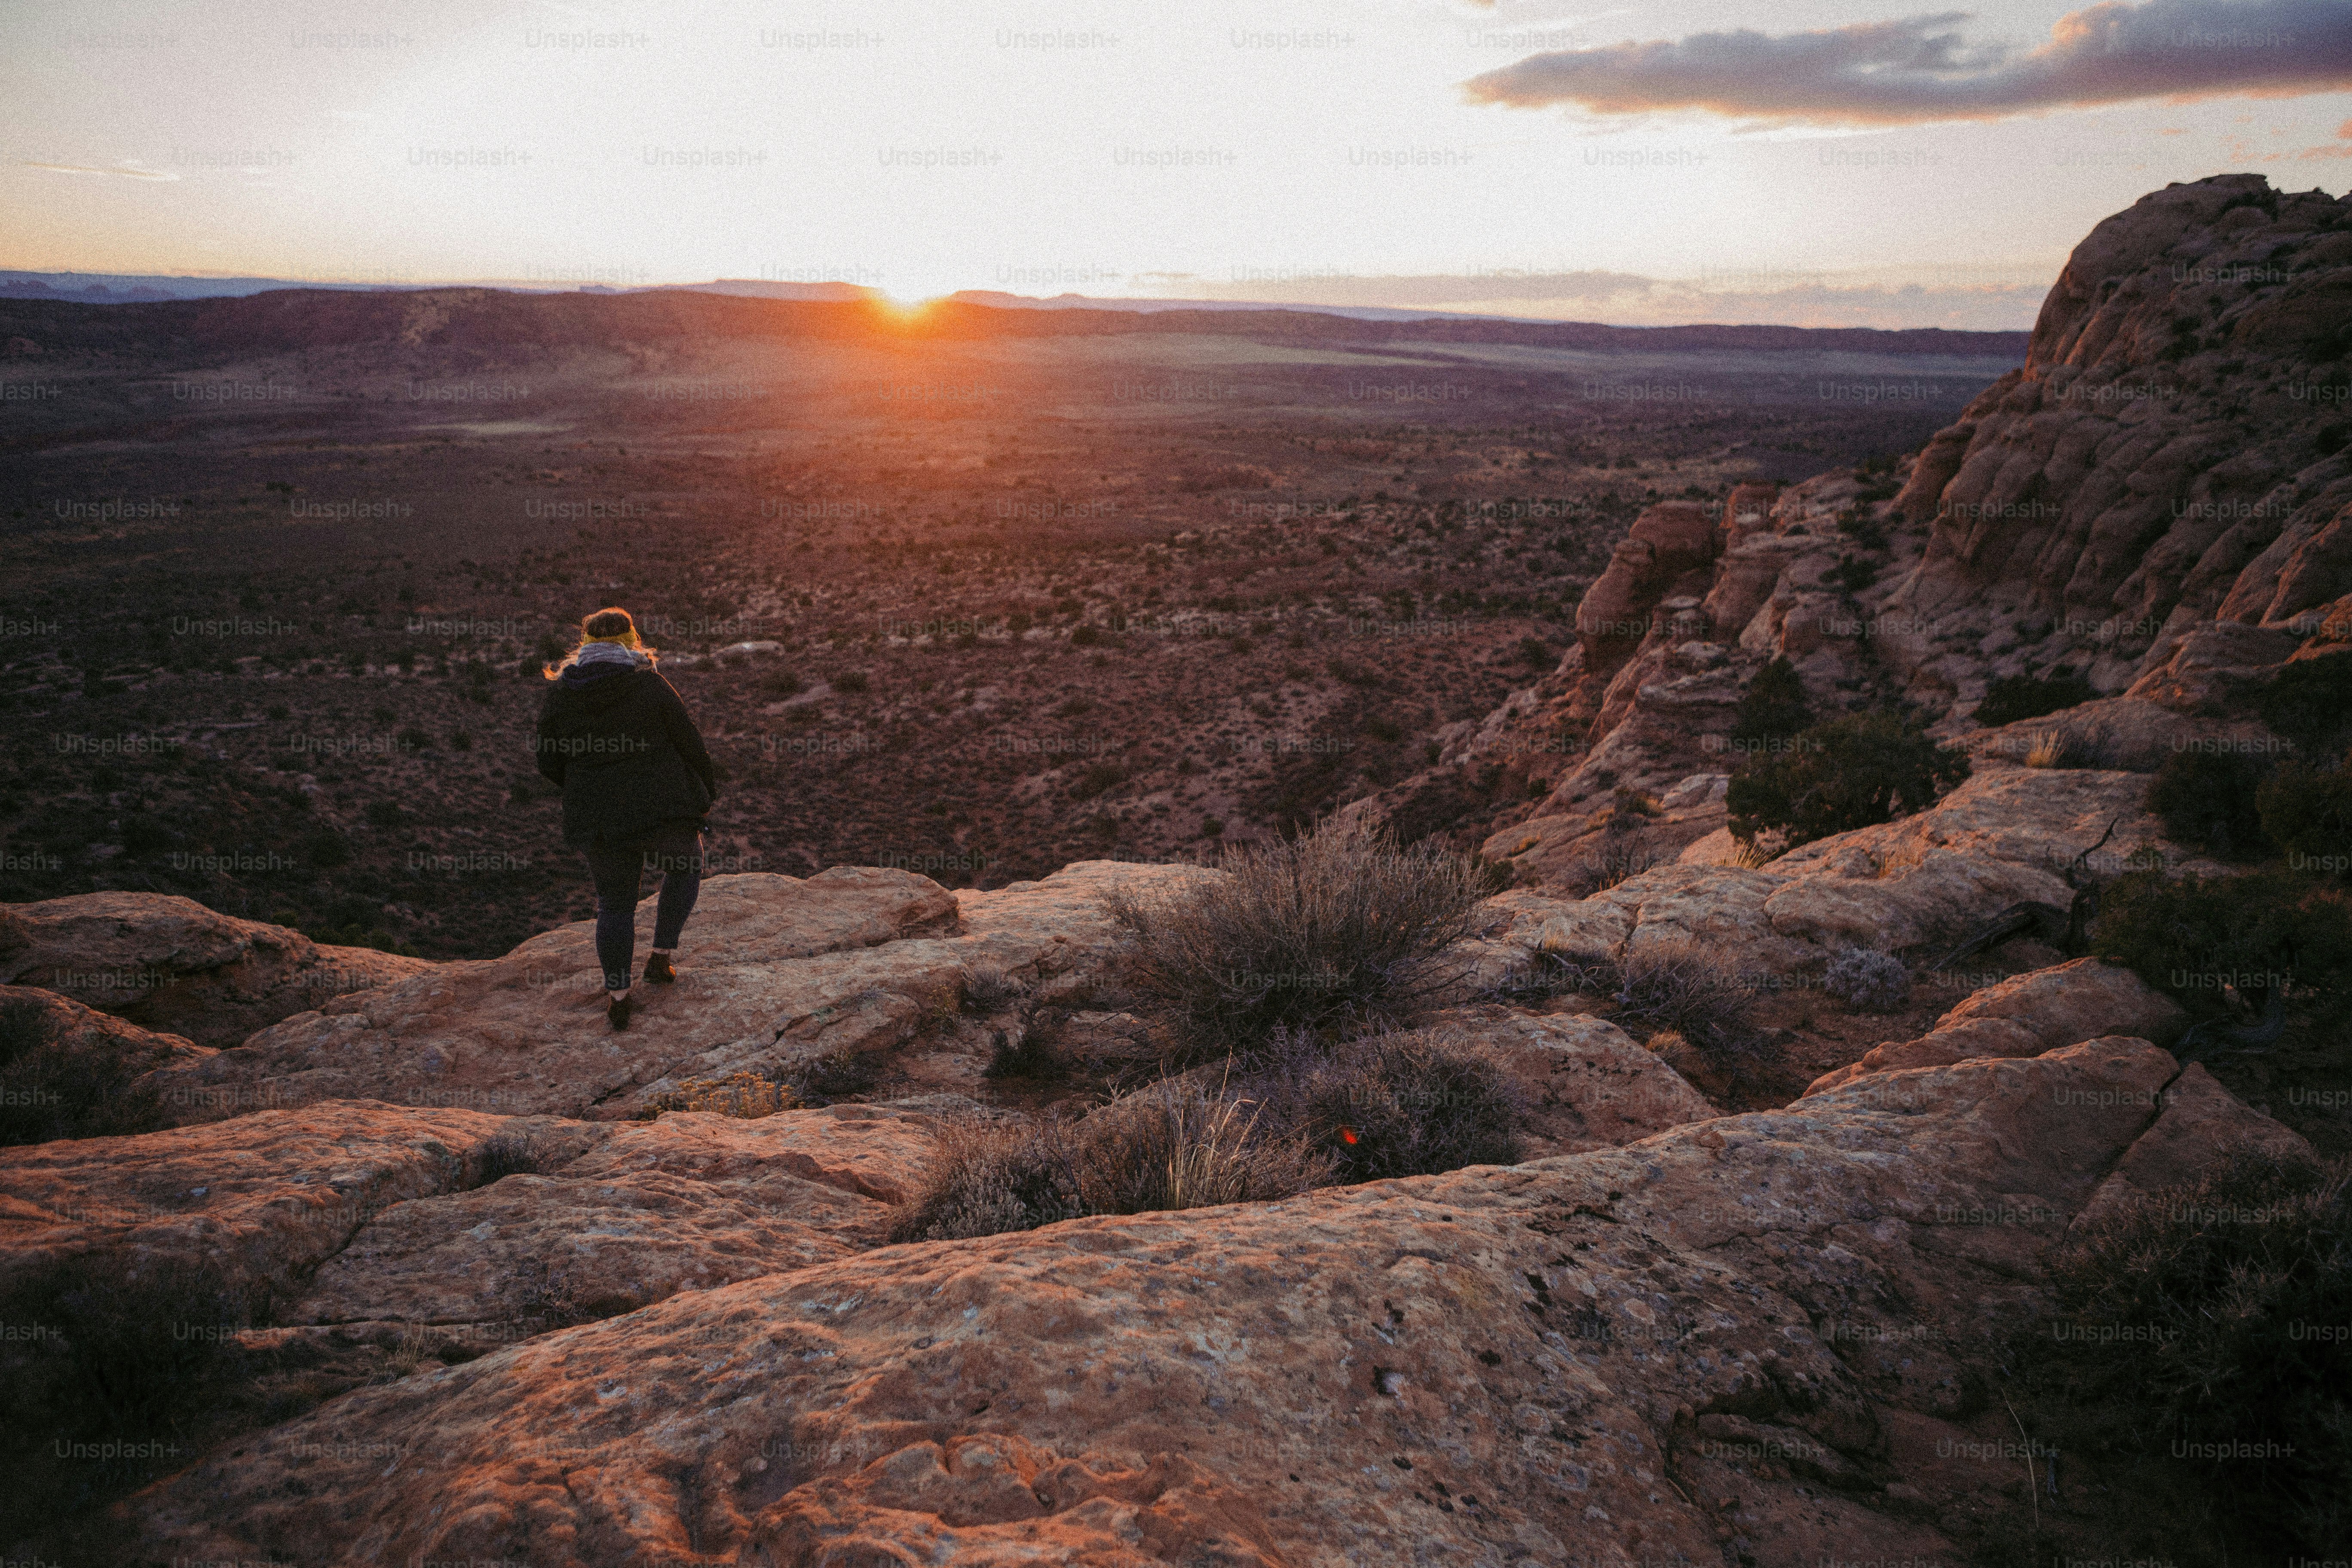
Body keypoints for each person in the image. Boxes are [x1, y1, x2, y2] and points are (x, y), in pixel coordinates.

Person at [533, 607, 717, 1030]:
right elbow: (690, 741)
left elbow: (548, 761)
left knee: (614, 905)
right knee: (686, 865)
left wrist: (584, 785)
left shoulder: (563, 693)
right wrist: (704, 793)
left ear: (584, 643)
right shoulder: (649, 684)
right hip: (661, 807)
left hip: (599, 817)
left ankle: (618, 996)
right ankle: (661, 957)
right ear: (632, 639)